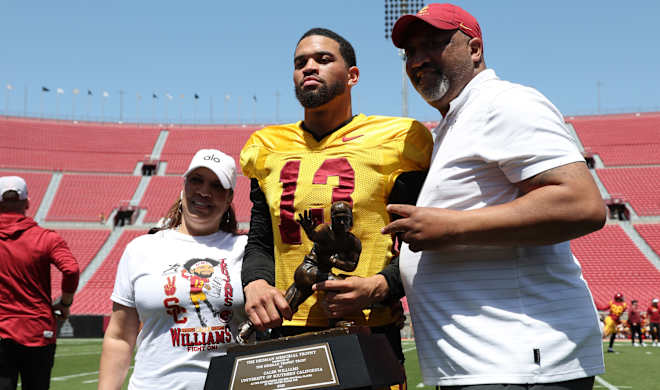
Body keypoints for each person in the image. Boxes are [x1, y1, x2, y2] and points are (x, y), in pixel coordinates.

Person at [385, 3, 607, 389]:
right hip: (489, 360)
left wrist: (451, 227)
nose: (419, 59)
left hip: (517, 362)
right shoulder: (458, 119)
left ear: (474, 49)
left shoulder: (505, 103)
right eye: (410, 52)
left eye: (434, 43)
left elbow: (581, 204)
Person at [240, 27, 432, 381]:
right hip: (285, 330)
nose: (309, 67)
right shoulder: (266, 146)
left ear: (352, 75)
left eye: (323, 59)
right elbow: (261, 241)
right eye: (301, 63)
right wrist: (254, 282)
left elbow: (420, 244)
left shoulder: (399, 140)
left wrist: (380, 285)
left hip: (367, 328)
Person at [98, 149, 248, 389]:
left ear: (230, 197)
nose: (204, 192)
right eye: (196, 180)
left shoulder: (248, 250)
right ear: (184, 185)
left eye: (217, 185)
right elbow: (119, 337)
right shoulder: (140, 249)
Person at [0, 175, 80, 390]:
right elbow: (71, 269)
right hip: (37, 331)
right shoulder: (47, 238)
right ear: (27, 203)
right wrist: (65, 303)